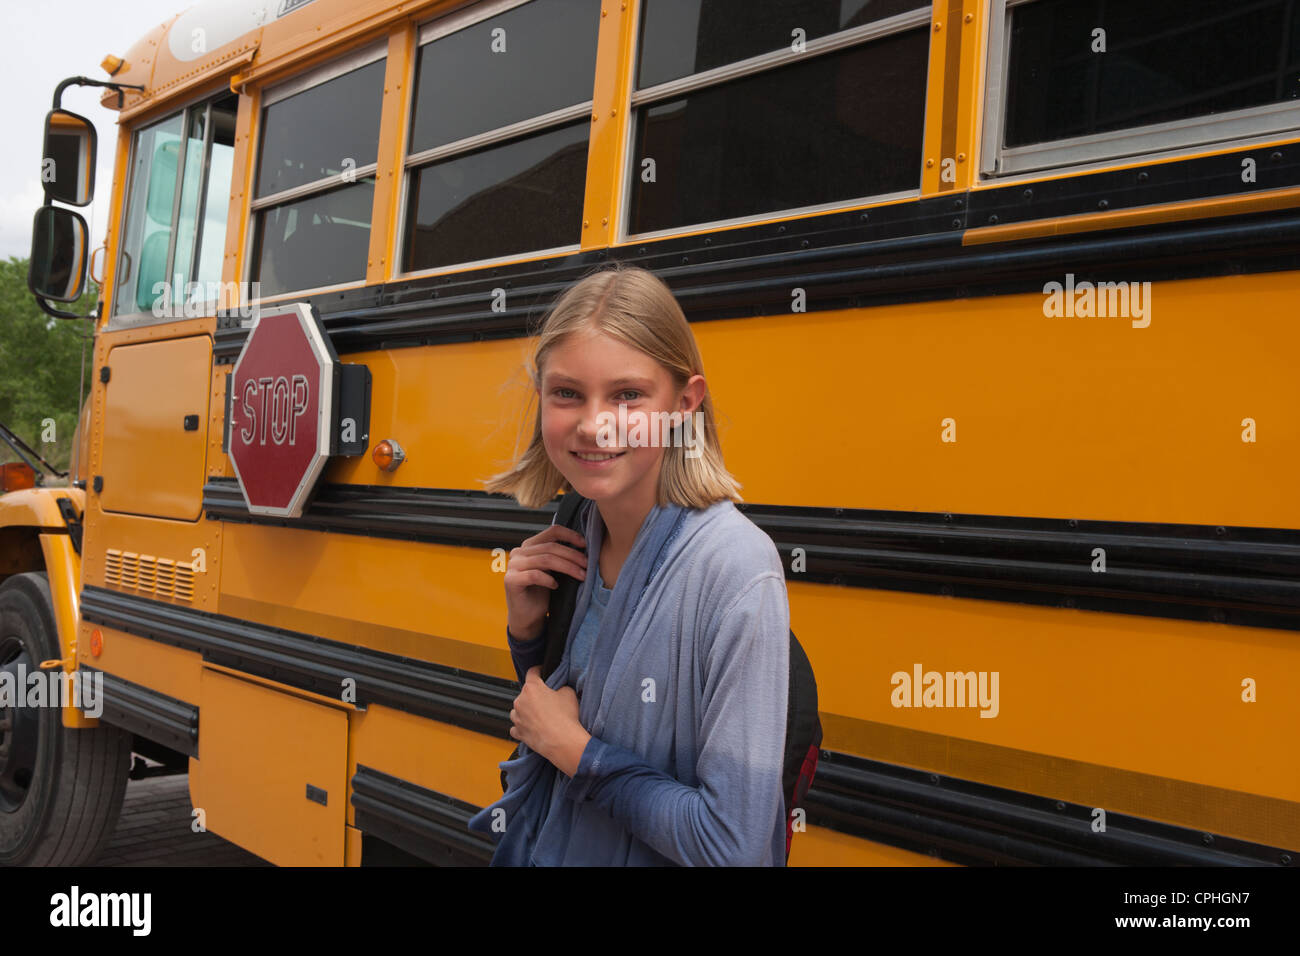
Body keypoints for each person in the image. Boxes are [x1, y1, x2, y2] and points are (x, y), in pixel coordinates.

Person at [465, 263, 790, 866]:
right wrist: (528, 636)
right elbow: (556, 718)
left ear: (685, 404)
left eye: (628, 395)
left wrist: (578, 752)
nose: (593, 424)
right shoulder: (580, 533)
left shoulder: (737, 571)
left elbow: (732, 847)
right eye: (567, 393)